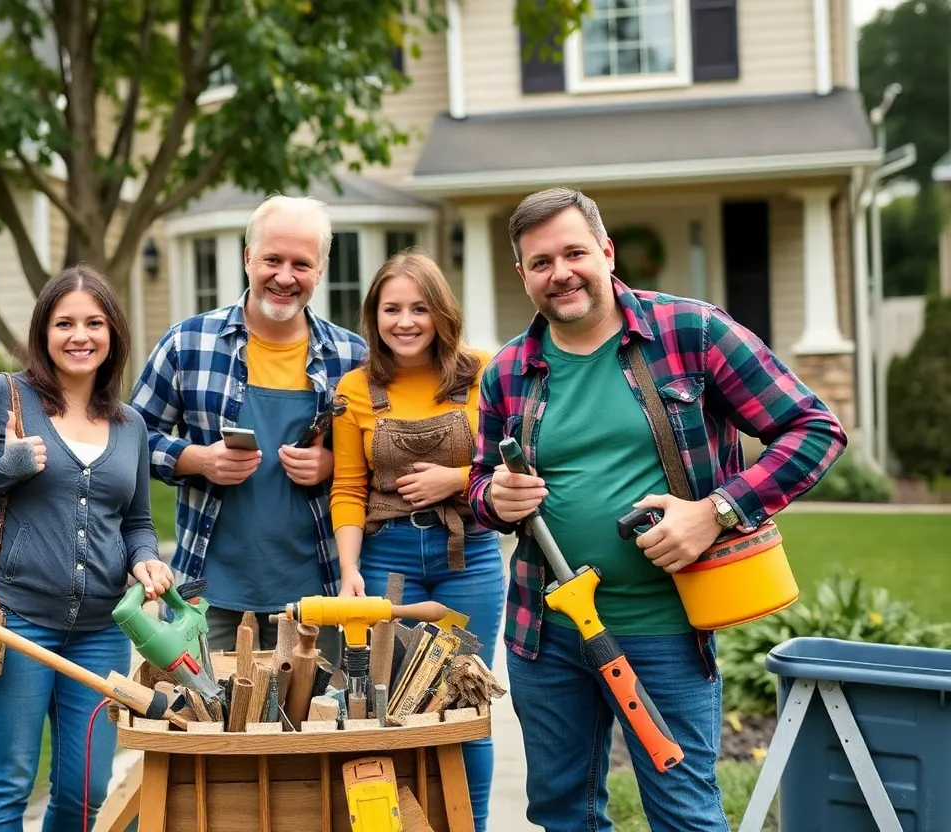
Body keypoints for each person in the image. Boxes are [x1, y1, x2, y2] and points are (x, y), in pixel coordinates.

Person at [466, 188, 847, 832]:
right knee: (563, 815)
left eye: (574, 253)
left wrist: (719, 511)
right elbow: (482, 484)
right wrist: (494, 498)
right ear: (522, 275)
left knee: (684, 814)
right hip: (546, 633)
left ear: (606, 252)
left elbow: (814, 429)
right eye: (540, 263)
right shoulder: (507, 370)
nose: (560, 273)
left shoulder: (691, 332)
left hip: (666, 625)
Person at [0, 265, 174, 831]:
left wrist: (145, 557)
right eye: (64, 323)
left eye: (94, 323)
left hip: (101, 628)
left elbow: (135, 521)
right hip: (16, 620)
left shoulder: (129, 423)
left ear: (112, 335)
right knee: (10, 783)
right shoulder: (4, 397)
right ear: (43, 331)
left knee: (86, 790)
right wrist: (3, 470)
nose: (79, 336)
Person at [129, 194, 367, 660]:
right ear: (247, 258)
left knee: (316, 727)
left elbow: (382, 459)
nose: (284, 276)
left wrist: (333, 464)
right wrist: (196, 459)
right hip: (208, 590)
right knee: (212, 725)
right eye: (272, 259)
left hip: (320, 589)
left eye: (301, 263)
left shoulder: (352, 356)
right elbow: (128, 438)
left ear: (321, 269)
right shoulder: (188, 343)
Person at [329, 250, 505, 831]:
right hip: (387, 558)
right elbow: (349, 487)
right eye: (391, 309)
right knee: (387, 704)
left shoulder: (482, 371)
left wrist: (454, 479)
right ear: (374, 316)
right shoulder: (355, 388)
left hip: (469, 557)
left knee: (465, 698)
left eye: (419, 308)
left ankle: (468, 823)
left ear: (441, 313)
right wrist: (349, 569)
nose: (404, 321)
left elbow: (516, 463)